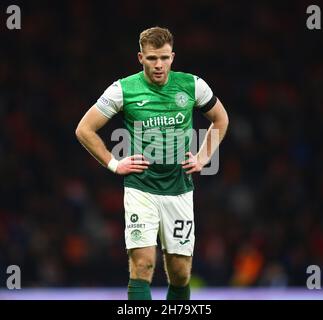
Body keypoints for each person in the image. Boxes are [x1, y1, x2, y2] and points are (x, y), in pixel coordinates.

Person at [75, 26, 229, 300]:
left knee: (181, 272)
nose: (159, 65)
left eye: (164, 58)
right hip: (141, 188)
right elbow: (85, 129)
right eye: (152, 58)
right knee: (143, 264)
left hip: (179, 187)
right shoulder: (122, 89)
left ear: (173, 57)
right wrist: (114, 164)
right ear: (140, 58)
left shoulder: (192, 85)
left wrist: (204, 156)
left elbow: (221, 119)